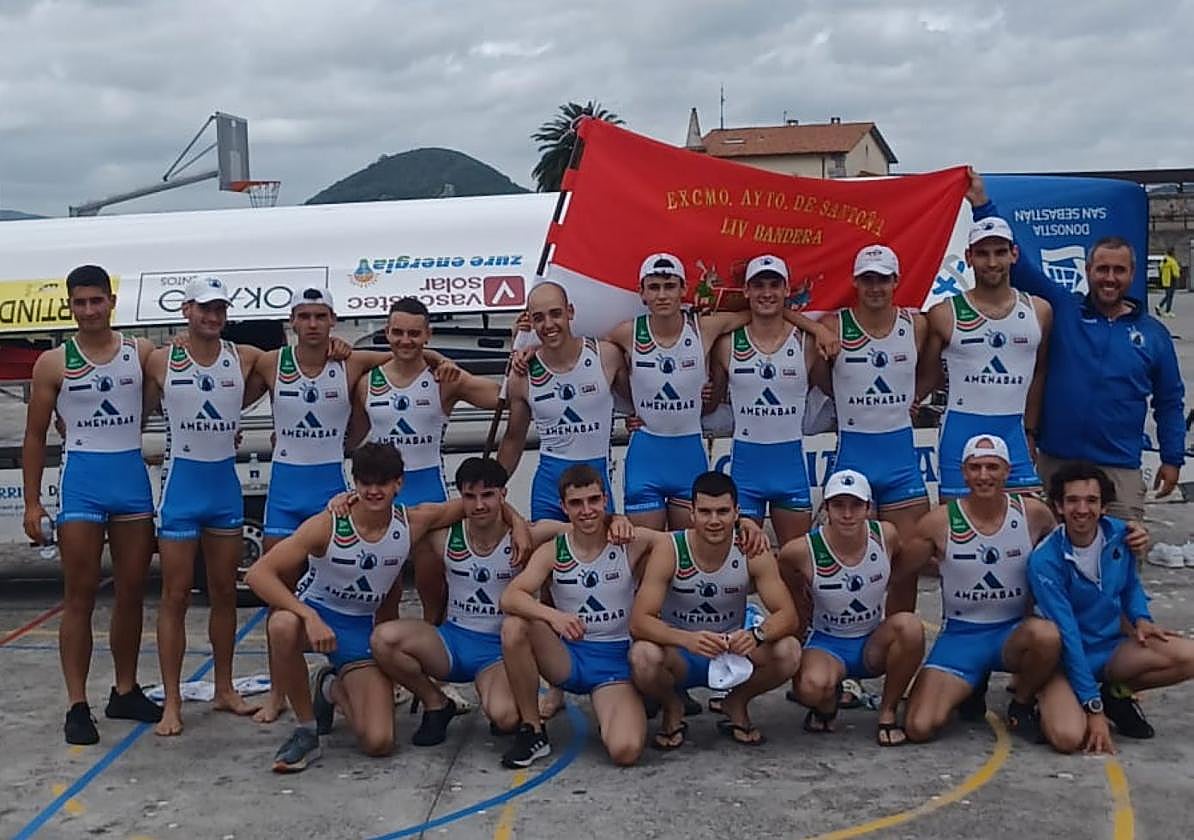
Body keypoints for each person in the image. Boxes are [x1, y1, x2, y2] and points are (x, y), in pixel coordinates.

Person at [245, 443, 530, 771]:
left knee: (379, 743)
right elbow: (258, 574)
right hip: (318, 616)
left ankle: (329, 688)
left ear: (399, 484)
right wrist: (308, 615)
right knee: (282, 624)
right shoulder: (329, 523)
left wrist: (519, 523)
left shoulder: (413, 522)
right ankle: (306, 730)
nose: (373, 491)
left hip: (360, 632)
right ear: (355, 484)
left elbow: (479, 504)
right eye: (365, 483)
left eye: (382, 483)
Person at [967, 170, 1185, 520]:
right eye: (1102, 269)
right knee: (1047, 557)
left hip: (1119, 467)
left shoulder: (1154, 334)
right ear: (1087, 270)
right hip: (1057, 461)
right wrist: (981, 204)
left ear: (1132, 274)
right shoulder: (1064, 308)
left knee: (1121, 558)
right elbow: (1018, 266)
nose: (1109, 278)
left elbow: (1170, 401)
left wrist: (1172, 457)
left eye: (1118, 270)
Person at [22, 264, 163, 744]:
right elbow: (36, 435)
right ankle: (77, 704)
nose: (88, 311)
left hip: (129, 479)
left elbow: (171, 387)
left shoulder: (139, 353)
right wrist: (32, 503)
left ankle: (124, 689)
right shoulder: (54, 363)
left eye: (96, 301)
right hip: (82, 481)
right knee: (78, 595)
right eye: (79, 303)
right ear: (69, 306)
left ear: (111, 302)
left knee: (131, 592)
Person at [607, 253, 836, 530]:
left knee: (689, 555)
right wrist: (630, 407)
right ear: (641, 293)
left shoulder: (706, 328)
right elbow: (600, 364)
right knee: (645, 552)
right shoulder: (624, 333)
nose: (663, 295)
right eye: (654, 287)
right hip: (645, 457)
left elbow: (762, 311)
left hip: (690, 458)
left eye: (670, 286)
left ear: (684, 290)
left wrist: (817, 330)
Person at [143, 276, 267, 736]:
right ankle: (172, 700)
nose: (212, 317)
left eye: (219, 310)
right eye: (204, 309)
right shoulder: (161, 358)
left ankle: (224, 687)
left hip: (223, 490)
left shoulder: (245, 356)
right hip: (181, 490)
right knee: (175, 595)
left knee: (224, 593)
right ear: (186, 310)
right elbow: (134, 407)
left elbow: (301, 362)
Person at [902, 435, 1068, 743]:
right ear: (963, 473)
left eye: (992, 467)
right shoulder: (939, 522)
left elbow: (1072, 550)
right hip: (961, 635)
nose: (984, 476)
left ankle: (1022, 701)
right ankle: (970, 685)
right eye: (975, 467)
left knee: (1047, 635)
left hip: (1012, 632)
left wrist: (1126, 535)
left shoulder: (1033, 514)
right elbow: (897, 572)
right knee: (918, 727)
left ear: (1007, 471)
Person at [368, 457, 543, 747]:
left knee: (507, 718)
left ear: (503, 495)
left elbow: (583, 529)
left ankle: (496, 692)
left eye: (488, 495)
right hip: (451, 641)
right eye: (470, 497)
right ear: (460, 498)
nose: (479, 505)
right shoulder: (443, 535)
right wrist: (344, 500)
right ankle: (435, 702)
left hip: (496, 652)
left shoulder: (527, 537)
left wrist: (619, 522)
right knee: (382, 640)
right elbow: (391, 512)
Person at [349, 296, 499, 624]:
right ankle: (384, 655)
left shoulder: (443, 380)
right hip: (383, 495)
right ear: (386, 333)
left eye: (415, 334)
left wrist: (454, 369)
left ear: (427, 334)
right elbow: (351, 439)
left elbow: (497, 396)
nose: (406, 341)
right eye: (398, 332)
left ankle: (433, 654)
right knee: (384, 589)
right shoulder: (366, 383)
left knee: (433, 587)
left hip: (428, 488)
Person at [1028, 461, 1194, 754]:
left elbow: (1130, 585)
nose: (1082, 509)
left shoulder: (1121, 534)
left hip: (1108, 650)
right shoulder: (1044, 561)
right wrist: (1093, 711)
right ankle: (1053, 697)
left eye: (1092, 500)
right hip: (1064, 661)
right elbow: (1067, 635)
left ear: (1104, 507)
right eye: (1073, 501)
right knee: (1068, 738)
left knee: (1188, 655)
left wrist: (1141, 618)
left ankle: (1115, 694)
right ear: (1058, 506)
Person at [497, 464, 653, 768]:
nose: (586, 511)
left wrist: (744, 525)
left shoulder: (630, 542)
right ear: (563, 508)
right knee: (515, 625)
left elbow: (688, 538)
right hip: (568, 657)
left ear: (605, 500)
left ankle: (618, 710)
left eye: (593, 501)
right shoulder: (554, 550)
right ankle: (533, 731)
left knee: (626, 750)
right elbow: (511, 596)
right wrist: (553, 616)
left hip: (613, 661)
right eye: (576, 503)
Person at [630, 471, 802, 748]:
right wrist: (687, 638)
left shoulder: (751, 548)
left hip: (732, 649)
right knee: (642, 657)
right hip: (684, 651)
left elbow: (788, 616)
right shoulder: (670, 549)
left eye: (723, 511)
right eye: (705, 512)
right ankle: (673, 707)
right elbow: (639, 621)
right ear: (692, 514)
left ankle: (737, 702)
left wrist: (757, 635)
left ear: (737, 513)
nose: (714, 521)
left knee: (790, 651)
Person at [810, 244, 929, 615]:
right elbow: (820, 378)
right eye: (867, 279)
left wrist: (915, 396)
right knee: (848, 562)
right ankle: (847, 634)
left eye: (882, 279)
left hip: (901, 462)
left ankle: (898, 638)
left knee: (908, 562)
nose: (875, 287)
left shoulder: (917, 325)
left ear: (896, 281)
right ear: (855, 282)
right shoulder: (834, 326)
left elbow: (930, 369)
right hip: (853, 457)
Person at [783, 469, 924, 746]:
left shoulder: (886, 535)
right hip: (828, 642)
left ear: (869, 508)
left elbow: (900, 571)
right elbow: (786, 584)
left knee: (910, 627)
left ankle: (887, 711)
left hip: (872, 640)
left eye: (856, 505)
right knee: (810, 688)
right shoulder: (800, 551)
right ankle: (826, 707)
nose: (847, 514)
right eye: (838, 505)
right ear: (826, 509)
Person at [918, 218, 1052, 501]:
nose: (992, 262)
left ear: (1014, 254)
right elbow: (927, 377)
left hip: (1014, 432)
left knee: (1026, 524)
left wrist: (1030, 432)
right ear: (969, 257)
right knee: (956, 526)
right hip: (960, 432)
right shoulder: (944, 313)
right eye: (982, 253)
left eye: (1000, 252)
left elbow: (1039, 373)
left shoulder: (1039, 311)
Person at [709, 255, 818, 547]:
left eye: (774, 285)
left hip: (791, 469)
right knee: (741, 562)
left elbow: (839, 390)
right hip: (746, 471)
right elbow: (709, 403)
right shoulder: (726, 344)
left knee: (796, 563)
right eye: (758, 286)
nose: (766, 293)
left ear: (787, 290)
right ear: (746, 291)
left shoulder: (807, 343)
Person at [498, 282, 624, 522]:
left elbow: (639, 398)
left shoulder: (606, 355)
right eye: (539, 318)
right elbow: (514, 438)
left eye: (555, 314)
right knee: (549, 558)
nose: (548, 325)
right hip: (549, 491)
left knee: (598, 558)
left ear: (570, 312)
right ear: (531, 323)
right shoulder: (522, 374)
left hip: (595, 487)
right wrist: (493, 486)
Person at [1157, 246, 1180, 318]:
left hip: (1166, 280)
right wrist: (1177, 276)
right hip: (1171, 280)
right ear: (1172, 252)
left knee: (1168, 295)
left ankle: (1160, 306)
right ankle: (1167, 310)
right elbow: (1175, 271)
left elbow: (1160, 268)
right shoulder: (1172, 261)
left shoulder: (1164, 260)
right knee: (1170, 296)